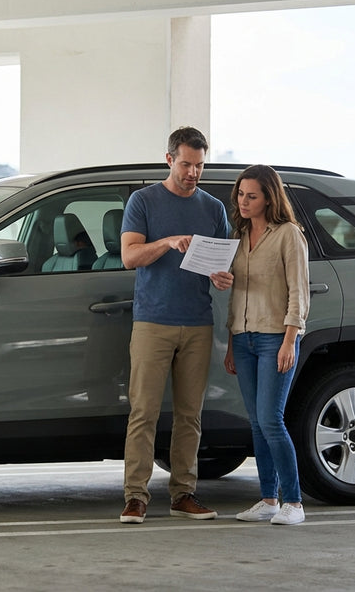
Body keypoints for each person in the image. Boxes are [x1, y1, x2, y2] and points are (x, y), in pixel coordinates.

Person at [119, 126, 234, 524]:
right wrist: (167, 242)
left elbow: (221, 264)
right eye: (186, 164)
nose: (193, 173)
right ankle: (136, 496)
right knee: (144, 412)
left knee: (191, 415)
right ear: (169, 160)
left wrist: (221, 277)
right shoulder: (144, 201)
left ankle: (184, 493)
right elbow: (130, 257)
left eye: (199, 165)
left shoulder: (213, 208)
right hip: (153, 321)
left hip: (198, 322)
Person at [222, 164, 310, 526]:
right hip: (243, 339)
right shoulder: (239, 236)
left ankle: (294, 502)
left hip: (276, 336)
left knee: (271, 420)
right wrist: (230, 343)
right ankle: (268, 499)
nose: (243, 201)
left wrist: (290, 340)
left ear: (268, 198)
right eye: (241, 194)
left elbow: (298, 293)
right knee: (256, 423)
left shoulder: (288, 234)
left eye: (252, 196)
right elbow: (237, 297)